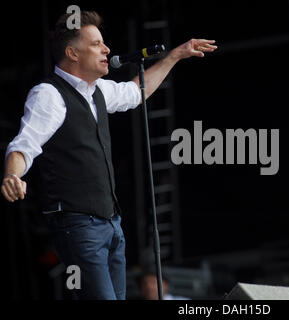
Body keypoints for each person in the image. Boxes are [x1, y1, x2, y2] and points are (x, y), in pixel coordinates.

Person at [1, 10, 217, 300]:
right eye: (96, 44)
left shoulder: (98, 91)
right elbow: (24, 144)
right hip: (78, 225)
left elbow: (136, 92)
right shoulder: (49, 95)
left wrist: (175, 56)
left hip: (111, 223)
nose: (107, 49)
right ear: (72, 53)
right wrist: (12, 174)